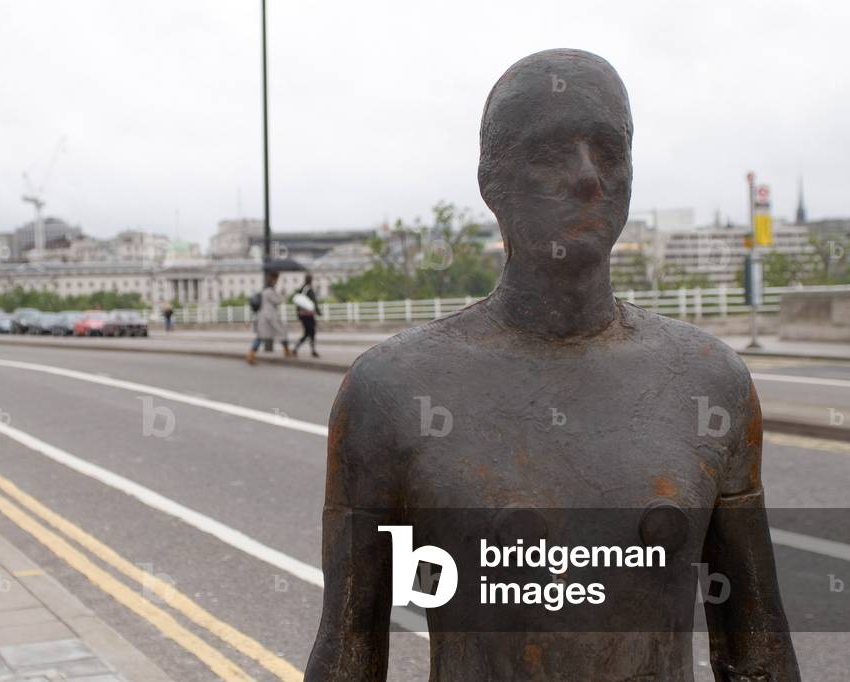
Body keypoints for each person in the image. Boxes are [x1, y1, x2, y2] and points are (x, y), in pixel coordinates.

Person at [305, 49, 799, 681]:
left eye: (610, 150)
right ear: (492, 181)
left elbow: (758, 653)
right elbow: (348, 652)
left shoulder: (710, 382)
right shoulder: (390, 392)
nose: (589, 177)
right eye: (550, 153)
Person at [247, 270, 291, 365]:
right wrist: (283, 294)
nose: (277, 281)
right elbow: (277, 301)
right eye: (276, 279)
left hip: (263, 317)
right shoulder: (270, 291)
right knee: (282, 332)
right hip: (270, 317)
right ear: (273, 280)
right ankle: (287, 351)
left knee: (260, 337)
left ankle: (251, 355)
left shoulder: (264, 290)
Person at [292, 274, 321, 358]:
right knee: (310, 332)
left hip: (302, 314)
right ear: (311, 280)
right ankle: (299, 349)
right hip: (308, 315)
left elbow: (298, 301)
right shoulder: (309, 290)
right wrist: (318, 311)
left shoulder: (302, 289)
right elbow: (314, 302)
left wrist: (298, 313)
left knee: (309, 332)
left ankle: (310, 350)